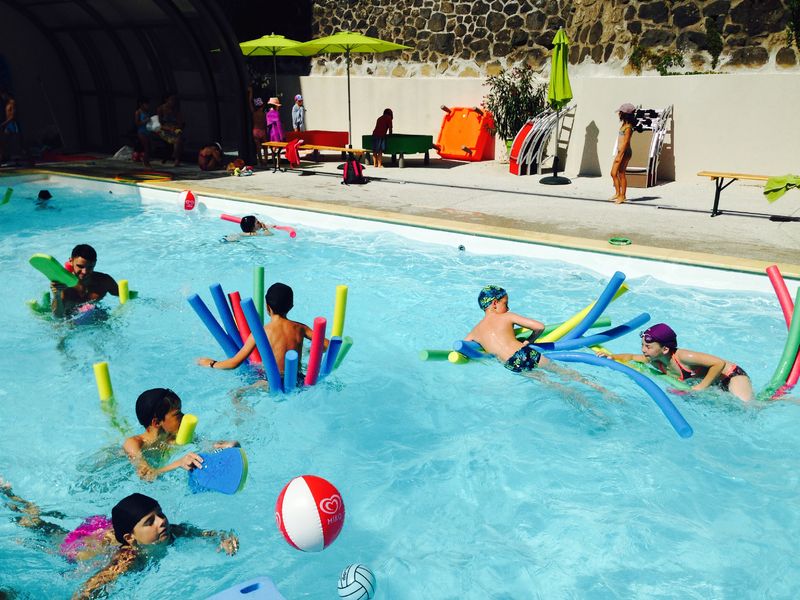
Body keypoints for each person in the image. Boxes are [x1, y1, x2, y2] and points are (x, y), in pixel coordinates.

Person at [0, 481, 238, 599]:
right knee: (38, 527)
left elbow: (204, 533)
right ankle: (9, 494)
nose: (161, 522)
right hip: (80, 546)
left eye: (160, 514)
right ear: (130, 538)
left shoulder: (170, 531)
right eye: (150, 522)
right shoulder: (127, 559)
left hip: (111, 530)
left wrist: (223, 537)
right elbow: (87, 590)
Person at [197, 282, 328, 383]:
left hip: (271, 381)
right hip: (297, 379)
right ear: (291, 307)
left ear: (267, 307)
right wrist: (312, 351)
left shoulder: (262, 332)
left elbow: (234, 363)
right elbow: (327, 345)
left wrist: (211, 363)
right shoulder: (300, 328)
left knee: (236, 394)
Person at [599, 323, 755, 401]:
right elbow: (631, 357)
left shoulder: (683, 357)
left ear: (665, 349)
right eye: (642, 345)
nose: (643, 350)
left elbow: (718, 363)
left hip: (731, 375)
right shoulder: (654, 360)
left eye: (648, 346)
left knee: (747, 408)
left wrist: (700, 387)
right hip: (714, 382)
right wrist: (613, 357)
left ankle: (776, 400)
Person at [122, 388, 239, 481]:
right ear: (157, 422)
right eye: (178, 414)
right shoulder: (133, 444)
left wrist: (224, 445)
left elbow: (205, 444)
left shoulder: (174, 436)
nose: (184, 417)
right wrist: (179, 463)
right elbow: (146, 475)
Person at [464, 285, 550, 374]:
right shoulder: (507, 316)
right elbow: (540, 327)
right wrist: (527, 342)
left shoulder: (475, 331)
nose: (508, 308)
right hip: (524, 352)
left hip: (510, 364)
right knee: (560, 372)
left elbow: (464, 346)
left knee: (546, 382)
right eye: (505, 303)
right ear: (494, 303)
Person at [50, 244, 119, 318]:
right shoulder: (64, 285)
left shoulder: (104, 281)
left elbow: (123, 296)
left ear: (95, 263)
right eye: (80, 266)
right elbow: (57, 316)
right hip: (69, 321)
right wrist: (56, 294)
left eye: (90, 267)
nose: (85, 271)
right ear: (71, 261)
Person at [610, 102, 635, 204]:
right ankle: (617, 193)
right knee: (613, 173)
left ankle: (623, 195)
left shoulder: (628, 127)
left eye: (620, 112)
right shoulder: (624, 124)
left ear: (624, 114)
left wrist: (620, 156)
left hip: (625, 153)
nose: (618, 114)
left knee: (621, 173)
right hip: (620, 152)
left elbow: (625, 143)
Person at [155, 94, 184, 167]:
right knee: (176, 139)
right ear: (166, 100)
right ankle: (175, 155)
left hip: (174, 129)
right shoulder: (160, 109)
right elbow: (160, 124)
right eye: (171, 100)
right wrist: (168, 128)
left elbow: (181, 122)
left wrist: (175, 127)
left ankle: (176, 157)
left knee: (179, 137)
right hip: (164, 129)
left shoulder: (176, 110)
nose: (173, 102)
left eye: (174, 100)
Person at [248, 86, 267, 165]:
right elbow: (266, 124)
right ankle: (265, 161)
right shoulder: (264, 114)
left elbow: (249, 102)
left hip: (255, 130)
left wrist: (250, 93)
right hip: (262, 130)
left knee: (258, 147)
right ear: (262, 106)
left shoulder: (254, 113)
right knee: (265, 147)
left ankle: (260, 161)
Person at [265, 97, 284, 166]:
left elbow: (267, 125)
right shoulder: (276, 113)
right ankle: (278, 164)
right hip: (276, 133)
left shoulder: (268, 114)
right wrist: (282, 136)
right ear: (276, 106)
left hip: (271, 133)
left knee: (273, 149)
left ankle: (274, 163)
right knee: (278, 149)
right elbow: (279, 125)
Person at [134, 97, 152, 168]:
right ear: (141, 104)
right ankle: (145, 162)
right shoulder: (138, 112)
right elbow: (137, 123)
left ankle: (146, 160)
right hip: (142, 132)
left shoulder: (147, 112)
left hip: (148, 131)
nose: (148, 106)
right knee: (146, 147)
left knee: (149, 147)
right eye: (146, 104)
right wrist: (145, 121)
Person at [0, 91, 18, 163]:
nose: (2, 97)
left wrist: (4, 124)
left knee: (4, 142)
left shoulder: (12, 102)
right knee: (3, 142)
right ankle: (3, 158)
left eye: (2, 95)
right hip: (8, 124)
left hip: (11, 124)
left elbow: (12, 116)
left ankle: (4, 158)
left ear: (6, 94)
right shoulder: (7, 103)